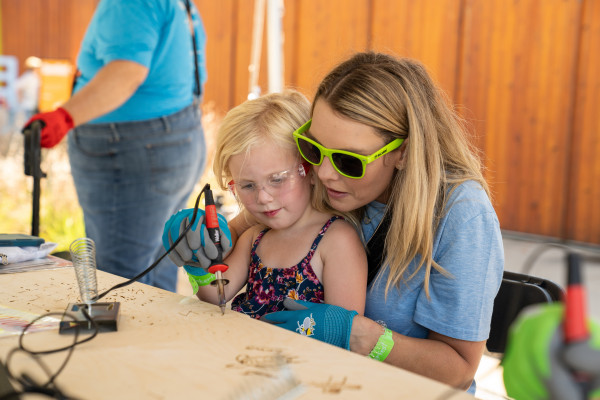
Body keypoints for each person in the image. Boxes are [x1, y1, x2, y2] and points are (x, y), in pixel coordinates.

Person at [164, 52, 504, 392]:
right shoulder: (322, 185)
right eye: (313, 149)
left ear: (403, 152)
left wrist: (361, 337)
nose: (324, 173)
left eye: (347, 160)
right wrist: (201, 234)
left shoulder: (462, 215)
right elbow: (244, 226)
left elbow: (458, 371)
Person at [22, 0, 208, 292]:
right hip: (171, 137)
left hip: (132, 149)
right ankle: (151, 337)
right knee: (153, 274)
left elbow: (126, 71)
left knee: (120, 281)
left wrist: (65, 116)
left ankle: (130, 339)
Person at [164, 91, 367, 332]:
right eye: (247, 185)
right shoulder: (255, 236)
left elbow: (348, 331)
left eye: (277, 179)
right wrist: (195, 259)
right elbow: (217, 294)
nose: (263, 198)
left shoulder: (337, 240)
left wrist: (328, 331)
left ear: (310, 168)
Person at [15, 56, 42, 122]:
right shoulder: (27, 77)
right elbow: (18, 88)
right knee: (28, 122)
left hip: (33, 104)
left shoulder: (35, 77)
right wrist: (20, 100)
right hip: (27, 105)